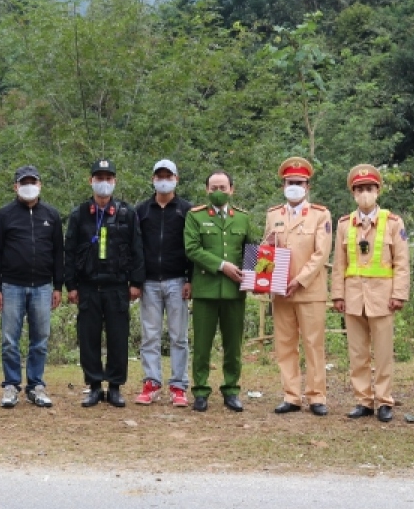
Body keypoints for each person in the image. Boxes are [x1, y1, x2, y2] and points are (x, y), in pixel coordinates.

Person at [331, 165, 410, 423]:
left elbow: (402, 262)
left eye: (369, 188)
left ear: (378, 191)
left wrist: (399, 294)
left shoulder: (393, 223)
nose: (365, 193)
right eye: (360, 189)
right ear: (353, 193)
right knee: (357, 353)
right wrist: (338, 295)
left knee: (384, 352)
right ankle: (363, 400)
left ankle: (385, 400)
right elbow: (339, 263)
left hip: (383, 298)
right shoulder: (345, 224)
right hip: (354, 297)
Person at [65, 160, 144, 407]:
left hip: (117, 286)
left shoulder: (126, 213)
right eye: (99, 178)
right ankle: (95, 386)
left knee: (118, 338)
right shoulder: (80, 214)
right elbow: (68, 251)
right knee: (88, 338)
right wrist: (71, 285)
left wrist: (136, 282)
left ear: (115, 182)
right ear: (91, 181)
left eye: (108, 178)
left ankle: (116, 386)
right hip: (88, 286)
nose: (103, 183)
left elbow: (137, 249)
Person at [183, 170, 260, 412]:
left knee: (233, 344)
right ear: (207, 190)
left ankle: (231, 389)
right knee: (202, 345)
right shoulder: (195, 217)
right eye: (214, 188)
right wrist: (222, 265)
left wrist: (251, 277)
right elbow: (192, 249)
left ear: (231, 190)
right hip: (206, 289)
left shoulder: (243, 218)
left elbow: (252, 250)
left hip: (235, 291)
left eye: (223, 188)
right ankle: (201, 391)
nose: (218, 192)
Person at [0, 165, 64, 409]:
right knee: (10, 339)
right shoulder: (4, 215)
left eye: (33, 181)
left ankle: (36, 386)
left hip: (43, 286)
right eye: (24, 182)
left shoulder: (51, 215)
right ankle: (11, 385)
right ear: (16, 186)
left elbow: (58, 253)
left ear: (40, 185)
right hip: (11, 286)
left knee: (40, 339)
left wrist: (58, 285)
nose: (29, 186)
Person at [265, 157, 333, 416]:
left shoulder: (320, 214)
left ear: (307, 186)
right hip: (280, 291)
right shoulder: (274, 215)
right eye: (290, 182)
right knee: (284, 344)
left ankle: (317, 396)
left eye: (299, 182)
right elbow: (266, 250)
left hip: (308, 290)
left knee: (313, 344)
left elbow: (321, 253)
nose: (294, 186)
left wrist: (299, 280)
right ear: (283, 184)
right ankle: (291, 395)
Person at [134, 159, 193, 406]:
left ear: (176, 179)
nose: (164, 179)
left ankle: (178, 386)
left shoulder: (187, 210)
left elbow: (192, 246)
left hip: (178, 280)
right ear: (153, 179)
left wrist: (191, 278)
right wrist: (135, 280)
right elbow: (135, 248)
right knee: (150, 335)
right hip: (148, 282)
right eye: (159, 176)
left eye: (168, 175)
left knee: (179, 336)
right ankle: (152, 382)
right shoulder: (141, 210)